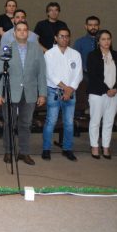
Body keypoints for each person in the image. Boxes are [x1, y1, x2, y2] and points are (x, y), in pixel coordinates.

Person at [0, 21, 47, 166]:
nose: (22, 32)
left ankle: (24, 152)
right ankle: (8, 151)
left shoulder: (36, 49)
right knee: (9, 123)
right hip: (10, 91)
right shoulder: (6, 48)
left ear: (28, 33)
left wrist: (42, 93)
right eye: (19, 30)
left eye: (25, 30)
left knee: (26, 123)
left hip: (30, 92)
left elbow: (42, 73)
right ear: (14, 33)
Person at [41, 27, 83, 161]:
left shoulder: (75, 54)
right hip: (54, 90)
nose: (64, 39)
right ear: (55, 37)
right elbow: (49, 74)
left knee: (69, 122)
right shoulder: (49, 54)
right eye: (61, 36)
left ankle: (67, 149)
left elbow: (79, 74)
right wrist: (65, 88)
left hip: (71, 92)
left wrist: (70, 89)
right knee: (51, 121)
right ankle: (46, 149)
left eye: (66, 36)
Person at [86, 30, 117, 159]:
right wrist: (107, 89)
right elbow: (93, 76)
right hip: (97, 93)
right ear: (98, 41)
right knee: (95, 120)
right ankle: (94, 146)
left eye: (108, 39)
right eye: (103, 39)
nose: (106, 41)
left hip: (115, 93)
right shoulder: (92, 55)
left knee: (109, 121)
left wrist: (116, 88)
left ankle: (106, 146)